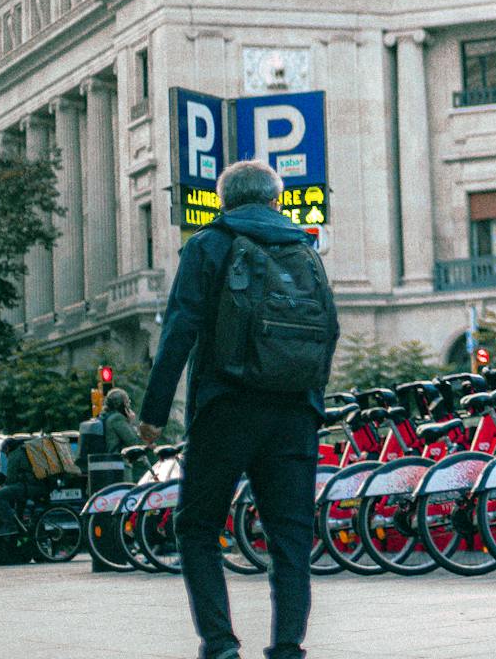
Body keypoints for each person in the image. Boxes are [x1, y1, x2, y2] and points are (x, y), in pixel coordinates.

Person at [141, 160, 339, 659]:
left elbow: (180, 329)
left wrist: (154, 411)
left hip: (225, 407)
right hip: (295, 413)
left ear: (224, 201)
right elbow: (328, 329)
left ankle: (221, 643)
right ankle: (289, 646)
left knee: (198, 526)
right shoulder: (304, 248)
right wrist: (312, 401)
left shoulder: (207, 245)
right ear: (276, 199)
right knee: (290, 536)